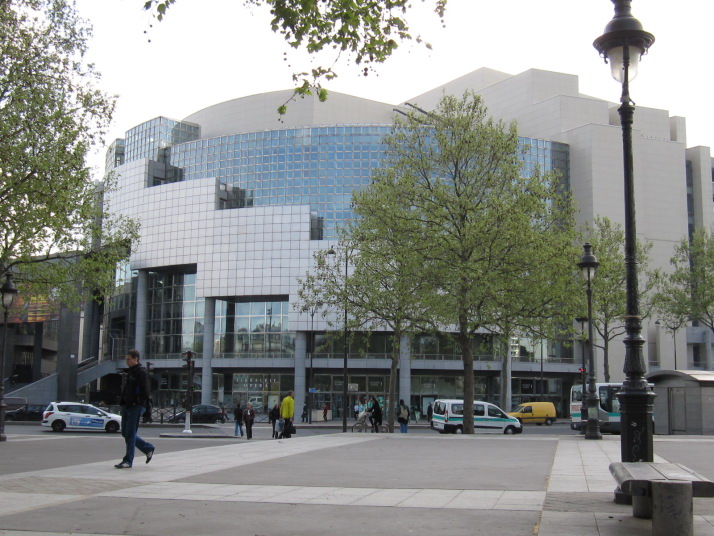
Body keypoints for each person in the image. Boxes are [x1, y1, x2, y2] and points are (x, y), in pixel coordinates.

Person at [115, 349, 155, 469]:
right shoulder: (131, 372)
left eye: (129, 359)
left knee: (130, 433)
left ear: (136, 359)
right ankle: (147, 448)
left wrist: (138, 402)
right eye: (126, 359)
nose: (127, 361)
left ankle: (128, 460)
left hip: (135, 406)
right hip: (127, 405)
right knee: (125, 433)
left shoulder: (141, 372)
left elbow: (145, 391)